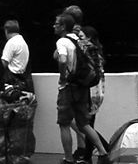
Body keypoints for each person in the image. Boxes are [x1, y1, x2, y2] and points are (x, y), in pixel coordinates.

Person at [52, 9, 108, 164]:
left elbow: (62, 59)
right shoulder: (78, 39)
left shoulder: (62, 41)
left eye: (56, 24)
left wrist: (63, 76)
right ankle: (103, 153)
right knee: (84, 123)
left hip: (68, 87)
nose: (53, 26)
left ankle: (69, 159)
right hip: (82, 86)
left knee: (64, 123)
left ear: (63, 26)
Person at [0, 20, 31, 90]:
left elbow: (4, 63)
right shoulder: (23, 42)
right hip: (21, 77)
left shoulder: (11, 42)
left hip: (11, 78)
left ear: (6, 30)